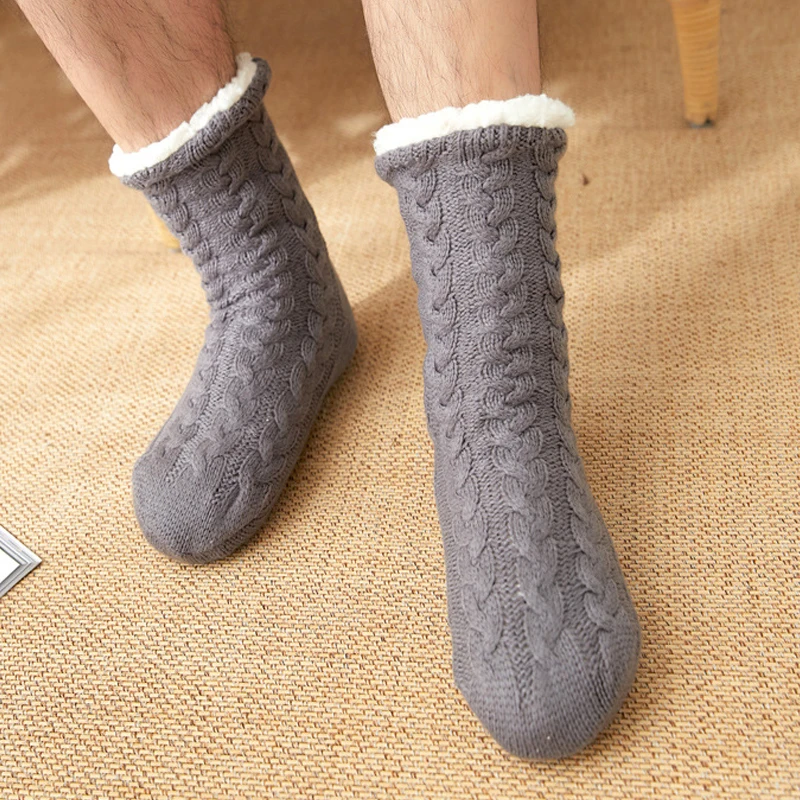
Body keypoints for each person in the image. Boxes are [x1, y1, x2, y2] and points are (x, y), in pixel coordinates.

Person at [14, 0, 641, 761]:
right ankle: (273, 287)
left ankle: (495, 374)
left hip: (499, 356)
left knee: (495, 381)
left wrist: (500, 373)